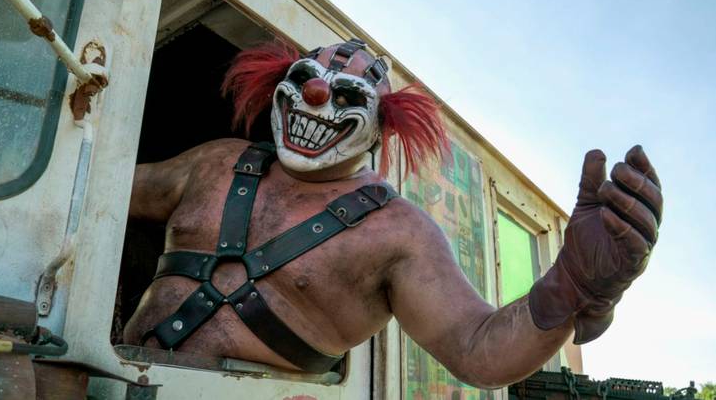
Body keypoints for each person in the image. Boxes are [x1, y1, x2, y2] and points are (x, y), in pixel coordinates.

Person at [123, 39, 662, 388]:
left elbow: (477, 350)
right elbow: (95, 183)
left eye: (347, 93)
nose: (316, 95)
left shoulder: (399, 233)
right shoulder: (213, 163)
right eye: (307, 76)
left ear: (380, 128)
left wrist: (570, 283)